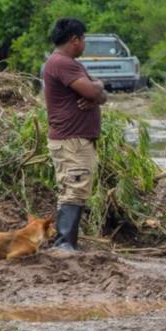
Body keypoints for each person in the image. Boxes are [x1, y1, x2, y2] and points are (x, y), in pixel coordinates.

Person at [42, 18, 108, 251]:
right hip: (71, 140)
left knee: (73, 187)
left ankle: (66, 243)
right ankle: (64, 244)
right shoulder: (62, 63)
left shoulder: (65, 62)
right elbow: (93, 91)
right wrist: (97, 88)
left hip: (73, 138)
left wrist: (96, 90)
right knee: (75, 187)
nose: (85, 44)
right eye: (84, 39)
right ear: (74, 40)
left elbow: (99, 95)